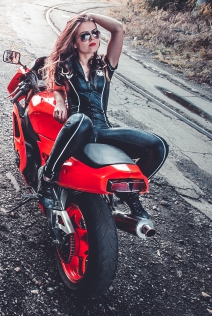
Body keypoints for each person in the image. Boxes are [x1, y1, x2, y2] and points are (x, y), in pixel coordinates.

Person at [39, 12, 169, 220]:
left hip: (104, 131)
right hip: (80, 130)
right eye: (84, 36)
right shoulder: (65, 66)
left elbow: (118, 28)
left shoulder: (105, 65)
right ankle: (47, 175)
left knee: (159, 146)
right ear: (73, 42)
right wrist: (61, 101)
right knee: (82, 120)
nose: (92, 39)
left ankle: (129, 194)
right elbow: (56, 87)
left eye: (95, 33)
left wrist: (91, 17)